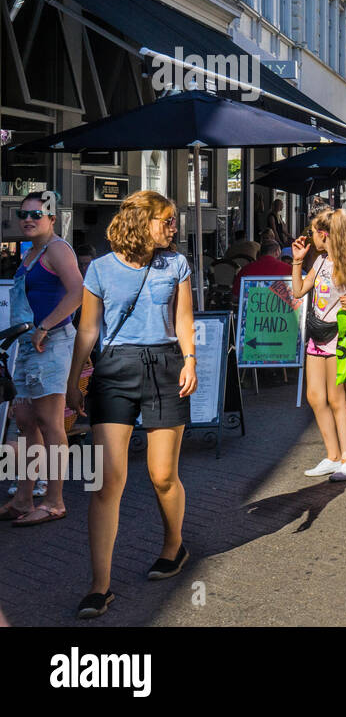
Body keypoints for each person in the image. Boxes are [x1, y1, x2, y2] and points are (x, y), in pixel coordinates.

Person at [65, 191, 197, 619]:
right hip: (115, 369)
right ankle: (99, 586)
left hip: (164, 366)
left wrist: (190, 359)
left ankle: (173, 546)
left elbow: (182, 320)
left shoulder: (175, 264)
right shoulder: (100, 269)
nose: (174, 228)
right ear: (143, 221)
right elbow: (87, 331)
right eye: (167, 220)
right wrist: (73, 381)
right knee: (109, 482)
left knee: (162, 475)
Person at [0, 192, 83, 526]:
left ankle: (54, 501)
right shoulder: (31, 253)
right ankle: (22, 499)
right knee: (25, 422)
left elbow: (79, 291)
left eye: (37, 214)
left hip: (50, 345)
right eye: (23, 214)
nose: (28, 219)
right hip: (27, 347)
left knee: (50, 424)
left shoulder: (58, 249)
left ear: (52, 218)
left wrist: (46, 326)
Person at [291, 210, 346, 481]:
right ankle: (332, 455)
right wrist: (297, 262)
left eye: (313, 232)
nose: (310, 236)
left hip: (338, 337)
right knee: (314, 396)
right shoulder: (320, 261)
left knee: (336, 398)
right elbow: (298, 291)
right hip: (316, 335)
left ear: (324, 235)